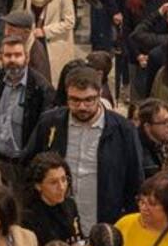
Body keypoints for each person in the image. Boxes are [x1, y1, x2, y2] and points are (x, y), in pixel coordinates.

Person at [23, 66, 143, 230]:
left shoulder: (123, 130)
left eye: (89, 100)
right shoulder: (50, 123)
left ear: (100, 95)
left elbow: (135, 181)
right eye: (75, 100)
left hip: (105, 223)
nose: (82, 107)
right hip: (56, 223)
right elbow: (29, 167)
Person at [0, 36, 54, 183]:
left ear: (26, 58)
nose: (12, 60)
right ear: (1, 58)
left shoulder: (42, 89)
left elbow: (43, 132)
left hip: (20, 165)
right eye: (7, 55)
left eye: (17, 55)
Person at [19, 152, 82, 246]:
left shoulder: (70, 205)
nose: (61, 187)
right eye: (53, 182)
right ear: (38, 186)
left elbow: (78, 238)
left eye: (64, 179)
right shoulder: (28, 218)